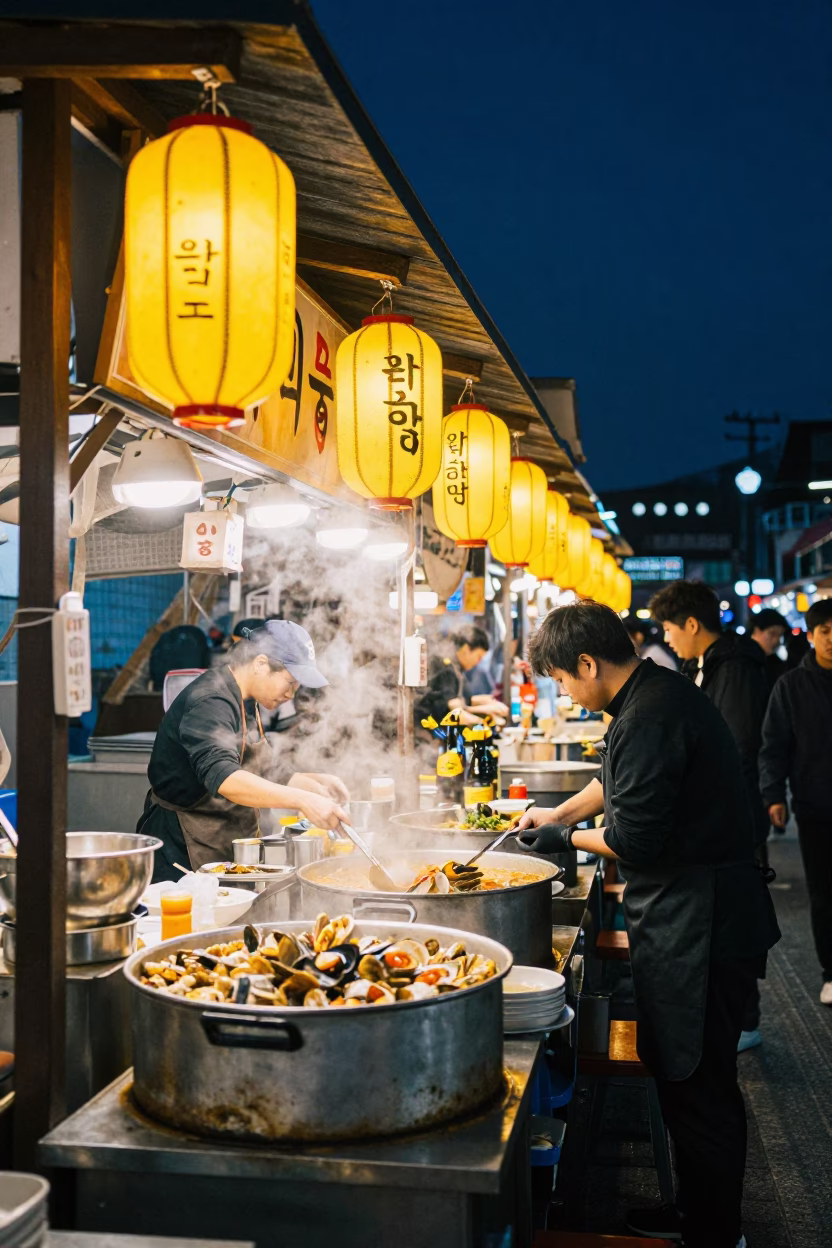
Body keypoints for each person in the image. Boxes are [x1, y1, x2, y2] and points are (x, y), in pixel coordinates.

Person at [517, 602, 779, 1248]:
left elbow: (633, 835)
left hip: (705, 922)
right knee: (681, 1076)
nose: (563, 692)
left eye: (560, 680)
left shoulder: (653, 712)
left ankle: (717, 1232)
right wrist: (553, 817)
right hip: (688, 915)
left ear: (587, 663)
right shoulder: (646, 695)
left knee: (700, 1085)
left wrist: (569, 840)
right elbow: (613, 784)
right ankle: (695, 1212)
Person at [648, 580, 772, 1052]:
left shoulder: (734, 667)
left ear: (693, 624)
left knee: (736, 913)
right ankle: (728, 1014)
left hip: (734, 813)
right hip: (714, 814)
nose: (668, 638)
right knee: (716, 916)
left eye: (669, 628)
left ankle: (746, 1020)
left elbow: (739, 745)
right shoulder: (698, 664)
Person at [138, 620, 349, 881]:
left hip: (223, 842)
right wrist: (303, 800)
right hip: (182, 850)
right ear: (261, 664)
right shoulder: (210, 700)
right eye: (290, 682)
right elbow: (225, 778)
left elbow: (261, 764)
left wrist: (313, 783)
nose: (291, 695)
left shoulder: (246, 697)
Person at [759, 597, 832, 1005]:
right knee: (824, 892)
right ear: (812, 634)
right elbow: (774, 747)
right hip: (816, 804)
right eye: (825, 631)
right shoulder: (791, 685)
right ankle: (830, 970)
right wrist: (774, 795)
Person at [452, 627, 496, 700]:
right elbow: (453, 708)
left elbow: (468, 700)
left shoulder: (460, 672)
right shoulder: (447, 670)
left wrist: (490, 700)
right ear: (466, 649)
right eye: (479, 657)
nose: (479, 662)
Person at [750, 607, 788, 690]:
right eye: (772, 634)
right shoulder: (744, 662)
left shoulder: (777, 665)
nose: (777, 640)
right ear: (757, 630)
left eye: (780, 635)